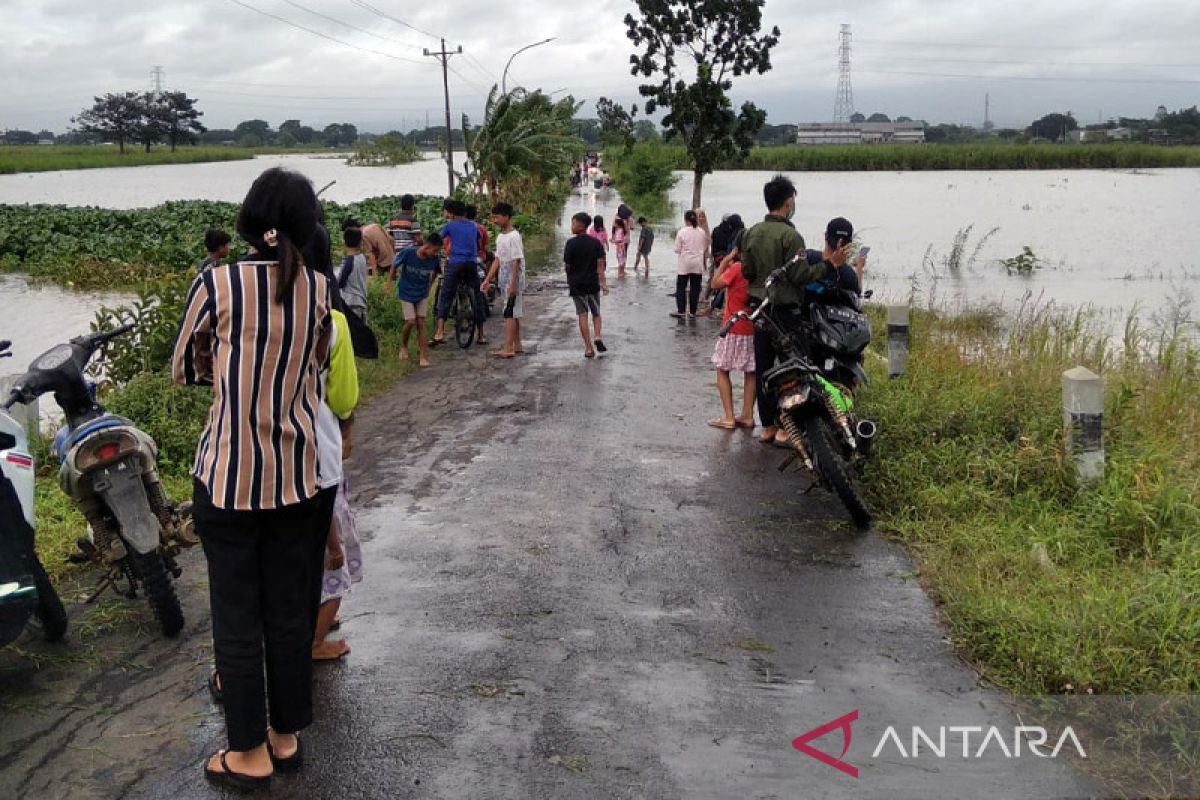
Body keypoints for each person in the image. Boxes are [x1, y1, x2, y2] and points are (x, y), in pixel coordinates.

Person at [171, 166, 336, 791]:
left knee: (237, 616)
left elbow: (186, 367)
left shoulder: (218, 283)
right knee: (288, 613)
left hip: (230, 481)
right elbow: (315, 369)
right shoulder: (319, 290)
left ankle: (246, 752)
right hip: (298, 479)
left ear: (248, 219)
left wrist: (233, 379)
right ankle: (285, 735)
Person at [739, 174, 850, 445]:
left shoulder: (751, 232)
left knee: (765, 367)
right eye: (793, 202)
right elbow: (801, 276)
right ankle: (787, 427)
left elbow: (747, 271)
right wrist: (831, 265)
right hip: (786, 312)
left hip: (760, 311)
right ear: (788, 203)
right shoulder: (791, 236)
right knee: (794, 367)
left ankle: (767, 426)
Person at [312, 309, 359, 662]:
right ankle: (314, 642)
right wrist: (345, 426)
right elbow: (342, 398)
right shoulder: (332, 320)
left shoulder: (248, 307)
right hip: (318, 440)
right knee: (332, 557)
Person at [707, 250, 756, 430]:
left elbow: (715, 283)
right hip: (752, 326)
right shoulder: (759, 269)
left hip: (732, 326)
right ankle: (747, 415)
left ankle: (729, 417)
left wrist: (726, 260)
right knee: (751, 372)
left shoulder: (737, 268)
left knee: (722, 369)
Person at [431, 198, 486, 347]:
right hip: (471, 263)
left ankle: (440, 331)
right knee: (478, 294)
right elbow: (478, 241)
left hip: (455, 263)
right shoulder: (474, 226)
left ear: (452, 213)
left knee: (446, 293)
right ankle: (481, 335)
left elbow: (439, 239)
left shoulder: (450, 226)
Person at [390, 231, 441, 368]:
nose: (435, 254)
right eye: (434, 250)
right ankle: (403, 346)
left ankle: (423, 356)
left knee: (421, 322)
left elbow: (436, 272)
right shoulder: (409, 253)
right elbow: (395, 264)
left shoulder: (434, 259)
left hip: (422, 292)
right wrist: (390, 282)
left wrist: (429, 286)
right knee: (410, 321)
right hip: (406, 291)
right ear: (427, 246)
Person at [481, 202, 525, 359]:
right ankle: (517, 344)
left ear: (506, 217)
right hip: (504, 279)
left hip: (513, 281)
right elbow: (497, 260)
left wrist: (512, 284)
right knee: (514, 312)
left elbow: (516, 261)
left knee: (509, 313)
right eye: (493, 217)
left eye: (497, 217)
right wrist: (488, 279)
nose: (495, 220)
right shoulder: (501, 237)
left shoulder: (514, 236)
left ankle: (508, 347)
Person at [563, 211, 609, 358]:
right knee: (596, 313)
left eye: (573, 223)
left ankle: (588, 348)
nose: (572, 226)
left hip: (577, 285)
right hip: (592, 283)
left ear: (580, 225)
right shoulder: (595, 243)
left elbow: (567, 266)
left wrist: (570, 279)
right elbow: (600, 265)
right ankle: (597, 336)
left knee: (582, 315)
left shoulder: (570, 244)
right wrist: (604, 284)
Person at [803, 217, 867, 297]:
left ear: (826, 235)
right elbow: (857, 297)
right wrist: (859, 267)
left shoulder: (807, 257)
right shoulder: (849, 275)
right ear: (849, 243)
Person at [672, 210, 708, 318]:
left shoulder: (682, 232)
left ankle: (681, 310)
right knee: (695, 288)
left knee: (681, 287)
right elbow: (704, 246)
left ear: (685, 220)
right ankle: (693, 311)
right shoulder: (701, 231)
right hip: (698, 263)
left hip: (685, 263)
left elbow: (677, 249)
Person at [338, 227, 369, 324]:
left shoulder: (349, 262)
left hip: (351, 302)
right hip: (362, 300)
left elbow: (340, 283)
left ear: (344, 242)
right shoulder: (362, 258)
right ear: (360, 243)